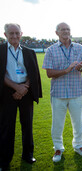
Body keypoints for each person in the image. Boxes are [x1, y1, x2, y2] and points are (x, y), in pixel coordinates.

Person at [42, 22, 82, 162]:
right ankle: (58, 148)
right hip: (58, 93)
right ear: (56, 33)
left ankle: (79, 146)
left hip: (76, 92)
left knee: (78, 122)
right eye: (62, 30)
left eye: (67, 29)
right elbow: (49, 73)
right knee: (57, 123)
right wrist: (66, 70)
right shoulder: (51, 50)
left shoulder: (79, 47)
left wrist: (80, 68)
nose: (65, 31)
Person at [0, 23, 42, 169]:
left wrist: (24, 87)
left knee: (27, 125)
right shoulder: (1, 50)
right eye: (11, 33)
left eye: (17, 33)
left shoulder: (29, 52)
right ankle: (4, 160)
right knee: (7, 127)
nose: (14, 36)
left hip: (26, 92)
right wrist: (15, 87)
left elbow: (34, 72)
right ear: (5, 35)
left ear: (21, 33)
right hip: (7, 93)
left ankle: (28, 155)